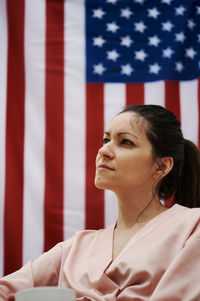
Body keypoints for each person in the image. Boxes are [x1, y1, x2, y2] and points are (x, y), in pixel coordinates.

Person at [0, 104, 200, 301]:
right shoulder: (75, 247)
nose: (104, 150)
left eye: (126, 142)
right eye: (106, 140)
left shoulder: (193, 227)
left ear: (161, 165)